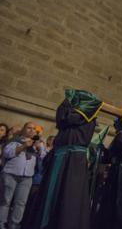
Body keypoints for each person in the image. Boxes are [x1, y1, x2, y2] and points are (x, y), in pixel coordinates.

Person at [26, 89, 104, 229]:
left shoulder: (83, 115)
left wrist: (67, 102)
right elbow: (61, 118)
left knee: (68, 199)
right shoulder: (74, 115)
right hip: (62, 157)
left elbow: (65, 117)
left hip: (73, 161)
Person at [0, 122, 43, 229]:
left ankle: (13, 225)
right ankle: (1, 224)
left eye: (34, 129)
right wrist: (24, 146)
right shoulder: (15, 140)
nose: (32, 130)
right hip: (10, 175)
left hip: (27, 178)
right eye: (29, 128)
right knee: (6, 201)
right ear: (23, 129)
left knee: (20, 203)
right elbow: (7, 153)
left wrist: (39, 148)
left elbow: (44, 157)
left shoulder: (38, 143)